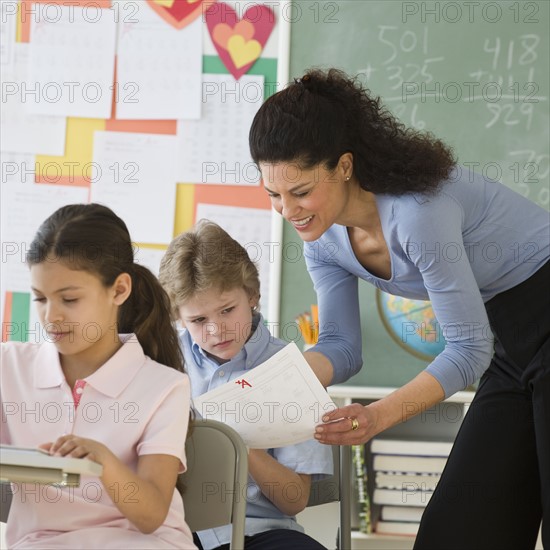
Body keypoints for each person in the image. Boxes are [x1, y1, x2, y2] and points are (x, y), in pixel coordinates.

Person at [248, 68, 550, 549]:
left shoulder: (416, 212)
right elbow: (341, 348)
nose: (288, 211)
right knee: (456, 534)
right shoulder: (323, 241)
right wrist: (268, 385)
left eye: (301, 192)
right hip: (514, 342)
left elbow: (469, 350)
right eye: (273, 195)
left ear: (344, 165)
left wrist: (377, 416)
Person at [0, 203, 196, 549]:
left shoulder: (166, 388)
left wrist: (104, 461)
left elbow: (151, 517)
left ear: (119, 290)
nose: (52, 316)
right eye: (40, 299)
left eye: (70, 299)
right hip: (41, 542)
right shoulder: (9, 366)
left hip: (141, 542)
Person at [159, 220, 333, 550]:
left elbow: (294, 500)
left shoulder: (292, 371)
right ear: (179, 317)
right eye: (198, 320)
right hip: (173, 530)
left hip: (262, 532)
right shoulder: (161, 361)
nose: (216, 330)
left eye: (227, 310)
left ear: (251, 295)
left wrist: (239, 445)